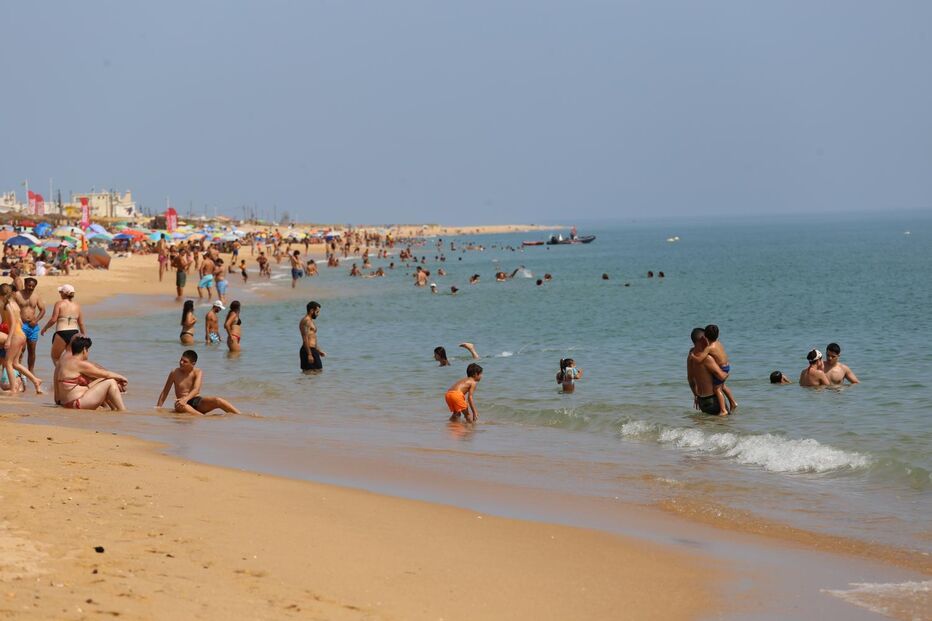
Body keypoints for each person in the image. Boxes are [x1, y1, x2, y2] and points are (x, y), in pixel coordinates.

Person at [157, 350, 240, 415]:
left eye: (185, 361)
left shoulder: (197, 372)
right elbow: (165, 391)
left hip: (196, 401)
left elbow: (196, 389)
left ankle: (240, 415)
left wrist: (186, 399)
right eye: (181, 360)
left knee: (218, 400)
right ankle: (202, 418)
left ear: (193, 364)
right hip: (181, 403)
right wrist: (158, 407)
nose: (181, 362)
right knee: (180, 405)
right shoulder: (174, 372)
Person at [54, 335, 126, 409]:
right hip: (76, 403)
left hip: (66, 403)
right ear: (84, 350)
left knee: (104, 380)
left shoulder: (67, 362)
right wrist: (122, 378)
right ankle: (122, 410)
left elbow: (102, 376)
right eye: (88, 350)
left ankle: (114, 408)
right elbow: (106, 374)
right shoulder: (80, 364)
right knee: (110, 382)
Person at [0, 285, 43, 395]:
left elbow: (14, 323)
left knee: (8, 362)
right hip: (21, 335)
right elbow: (19, 321)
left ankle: (14, 389)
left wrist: (9, 339)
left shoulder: (7, 305)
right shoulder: (15, 304)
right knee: (15, 363)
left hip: (15, 336)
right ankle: (36, 380)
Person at [689, 324, 738, 414]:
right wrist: (726, 375)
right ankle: (725, 408)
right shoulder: (707, 358)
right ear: (702, 339)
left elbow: (691, 380)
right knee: (723, 426)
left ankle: (732, 402)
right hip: (713, 400)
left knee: (708, 427)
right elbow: (722, 377)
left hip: (701, 401)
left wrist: (696, 396)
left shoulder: (690, 356)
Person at [40, 284, 85, 365]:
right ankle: (69, 376)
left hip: (62, 333)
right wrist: (84, 335)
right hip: (75, 333)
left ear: (64, 293)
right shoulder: (77, 306)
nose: (60, 294)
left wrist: (45, 328)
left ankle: (59, 375)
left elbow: (53, 319)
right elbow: (81, 323)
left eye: (60, 292)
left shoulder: (59, 303)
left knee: (55, 357)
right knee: (70, 358)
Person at [14, 277, 45, 373]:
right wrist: (17, 320)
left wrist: (36, 320)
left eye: (33, 286)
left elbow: (42, 310)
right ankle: (18, 369)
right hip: (20, 325)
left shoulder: (36, 296)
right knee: (21, 349)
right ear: (25, 284)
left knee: (32, 350)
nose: (30, 287)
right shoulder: (17, 295)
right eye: (29, 285)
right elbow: (11, 308)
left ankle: (31, 371)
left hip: (33, 326)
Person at [299, 301, 325, 371]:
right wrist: (309, 354)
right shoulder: (306, 321)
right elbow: (305, 338)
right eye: (317, 312)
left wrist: (318, 350)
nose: (318, 314)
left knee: (318, 372)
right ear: (311, 310)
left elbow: (312, 337)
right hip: (308, 350)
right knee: (309, 373)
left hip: (313, 350)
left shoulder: (310, 321)